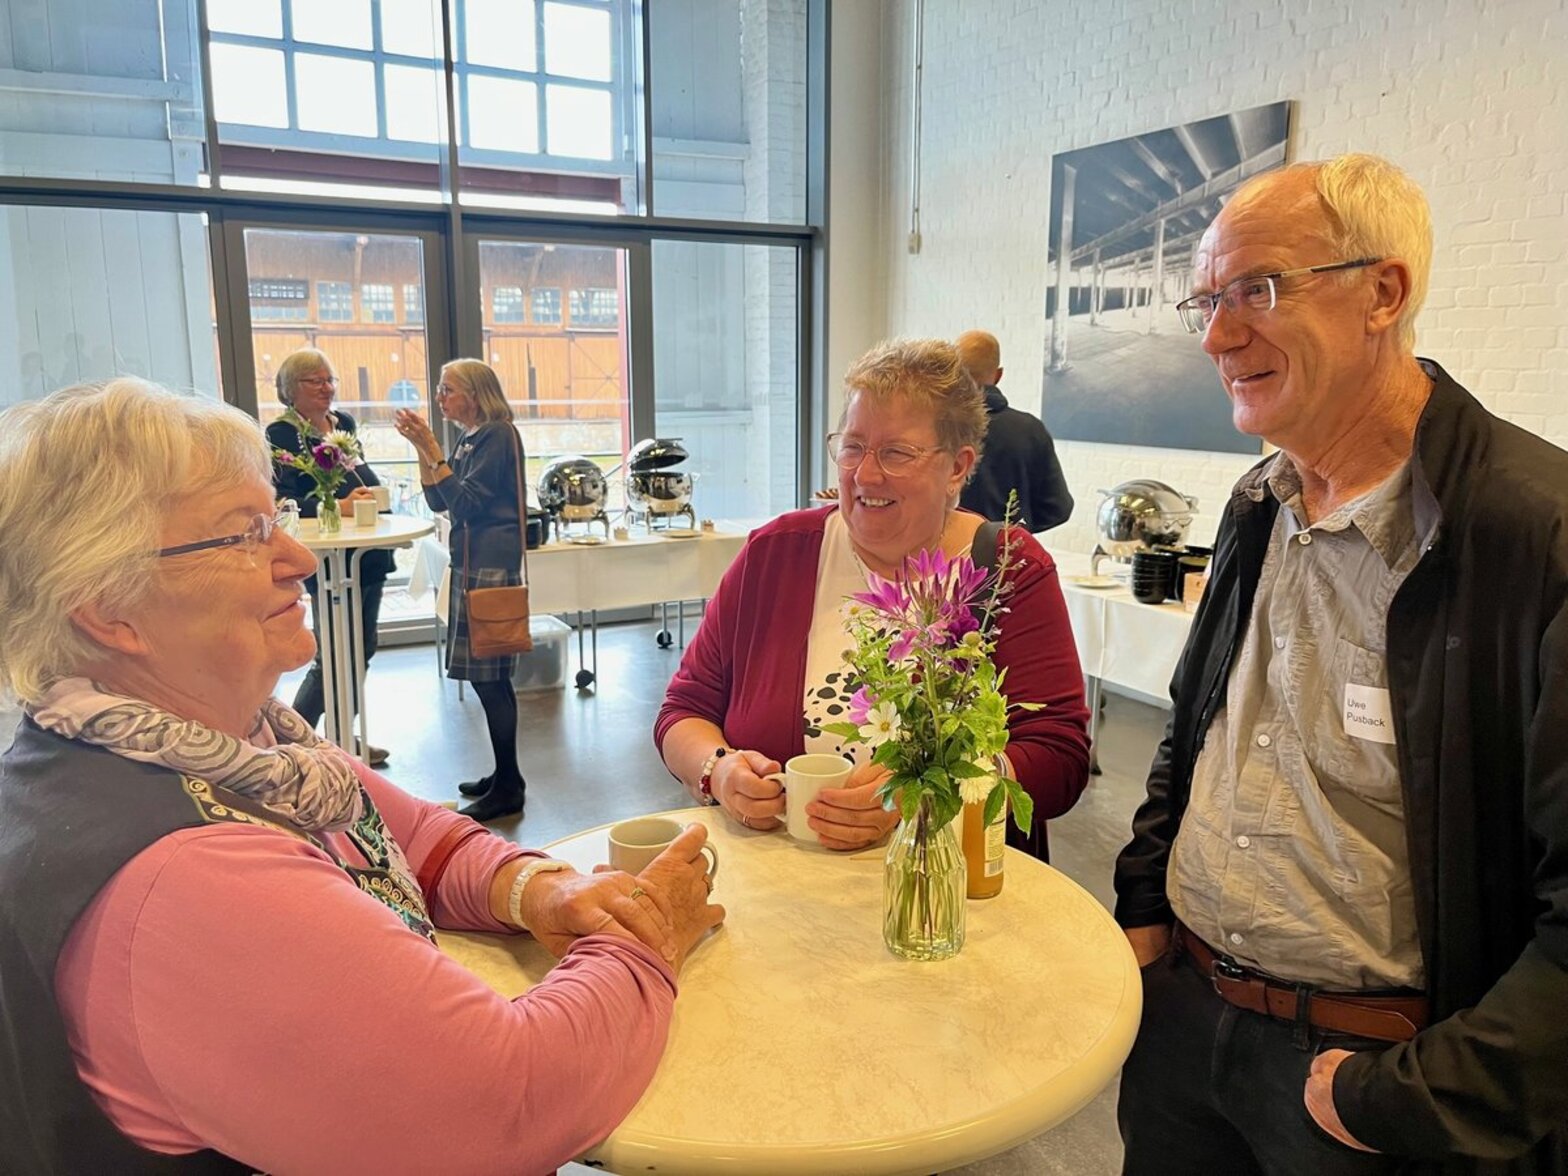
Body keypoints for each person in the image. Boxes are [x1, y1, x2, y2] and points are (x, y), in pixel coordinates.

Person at [0, 379, 725, 1174]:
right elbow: (505, 1102)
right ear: (107, 607)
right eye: (244, 534)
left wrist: (538, 891)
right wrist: (650, 931)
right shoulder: (185, 873)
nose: (298, 558)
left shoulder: (224, 746)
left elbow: (417, 832)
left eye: (273, 518)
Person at [1113, 153, 1568, 1174]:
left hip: (1369, 1077)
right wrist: (1146, 904)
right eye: (1206, 300)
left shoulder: (1529, 538)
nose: (1217, 336)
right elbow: (1193, 735)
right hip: (1185, 1026)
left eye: (1256, 291)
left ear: (1383, 292)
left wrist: (1419, 1097)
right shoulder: (1255, 508)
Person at [657, 338, 1091, 859]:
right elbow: (685, 708)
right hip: (785, 891)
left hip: (946, 901)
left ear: (957, 467)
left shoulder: (1004, 570)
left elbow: (1059, 758)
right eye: (853, 446)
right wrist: (718, 769)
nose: (865, 474)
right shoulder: (775, 555)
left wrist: (928, 791)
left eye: (896, 453)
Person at [395, 359, 529, 823]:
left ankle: (509, 783)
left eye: (447, 389)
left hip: (489, 565)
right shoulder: (471, 438)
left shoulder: (497, 434)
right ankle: (505, 774)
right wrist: (422, 449)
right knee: (489, 679)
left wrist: (430, 444)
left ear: (473, 394)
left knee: (489, 679)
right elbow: (439, 500)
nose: (439, 398)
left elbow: (467, 506)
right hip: (475, 563)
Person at [265, 348, 393, 767]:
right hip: (328, 555)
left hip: (366, 551)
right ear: (290, 390)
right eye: (315, 381)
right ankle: (295, 740)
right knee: (335, 650)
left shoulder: (345, 425)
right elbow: (284, 501)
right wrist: (341, 503)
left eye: (330, 380)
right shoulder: (280, 435)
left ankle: (341, 738)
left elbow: (359, 472)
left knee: (363, 646)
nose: (327, 388)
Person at [955, 329, 1073, 531]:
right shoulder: (1030, 429)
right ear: (999, 375)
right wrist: (1015, 531)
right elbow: (1058, 508)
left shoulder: (935, 428)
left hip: (946, 556)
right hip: (1011, 555)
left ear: (953, 373)